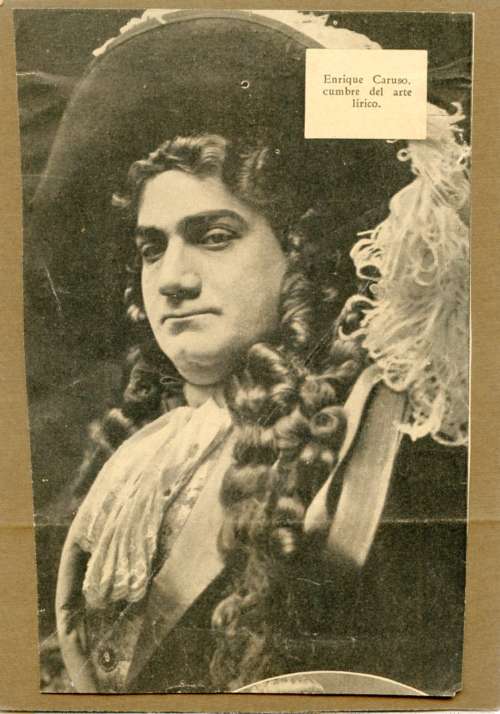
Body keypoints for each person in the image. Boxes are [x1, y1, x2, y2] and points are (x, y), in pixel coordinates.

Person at [29, 10, 469, 695]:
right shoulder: (139, 453)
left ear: (300, 254)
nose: (171, 279)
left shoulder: (380, 450)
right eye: (152, 247)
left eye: (214, 236)